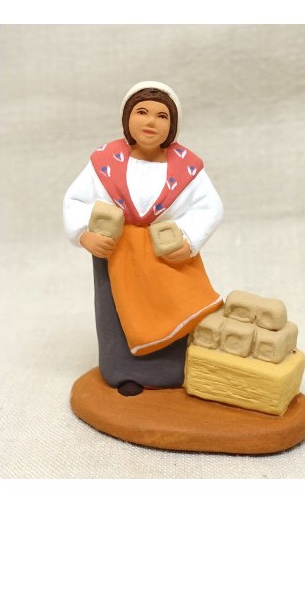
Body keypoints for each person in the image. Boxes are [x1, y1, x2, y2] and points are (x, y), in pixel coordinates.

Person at [63, 81, 223, 395]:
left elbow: (209, 206)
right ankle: (123, 370)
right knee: (117, 316)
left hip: (166, 254)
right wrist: (85, 235)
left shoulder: (187, 166)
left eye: (162, 116)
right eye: (142, 112)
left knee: (173, 306)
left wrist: (189, 240)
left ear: (172, 125)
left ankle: (173, 369)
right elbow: (76, 200)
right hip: (116, 253)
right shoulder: (105, 161)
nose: (151, 122)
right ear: (127, 118)